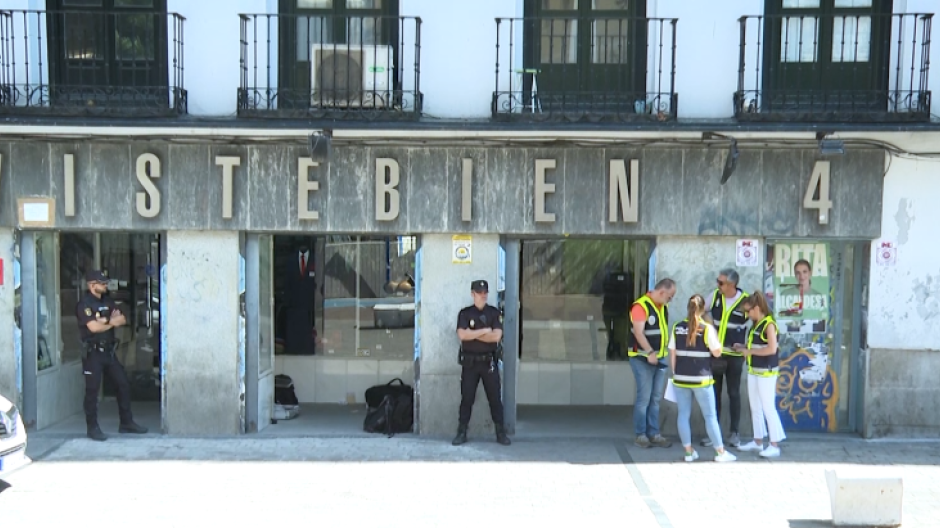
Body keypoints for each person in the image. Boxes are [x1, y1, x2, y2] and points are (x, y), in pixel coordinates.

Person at [76, 270, 148, 441]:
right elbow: (93, 328)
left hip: (109, 352)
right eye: (102, 283)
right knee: (92, 391)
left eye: (106, 283)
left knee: (122, 384)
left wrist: (104, 322)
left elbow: (121, 319)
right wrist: (110, 322)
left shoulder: (108, 301)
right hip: (93, 353)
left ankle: (126, 422)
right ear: (92, 285)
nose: (105, 285)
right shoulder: (84, 305)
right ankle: (92, 428)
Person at [669, 294, 737, 463]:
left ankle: (688, 452)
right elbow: (717, 352)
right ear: (702, 309)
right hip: (701, 380)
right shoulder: (706, 329)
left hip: (680, 378)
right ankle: (720, 452)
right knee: (710, 416)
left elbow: (672, 353)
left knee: (683, 415)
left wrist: (676, 373)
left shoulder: (677, 327)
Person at [452, 279, 510, 446]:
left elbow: (496, 336)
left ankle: (500, 432)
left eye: (485, 293)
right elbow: (462, 335)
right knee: (467, 398)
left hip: (488, 363)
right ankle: (461, 431)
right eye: (479, 293)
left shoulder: (493, 313)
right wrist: (484, 331)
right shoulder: (465, 313)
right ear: (472, 294)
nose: (482, 296)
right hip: (470, 363)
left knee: (494, 398)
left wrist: (473, 333)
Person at [733, 291, 785, 457]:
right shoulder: (756, 324)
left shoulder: (769, 324)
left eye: (749, 311)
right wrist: (743, 348)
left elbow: (771, 349)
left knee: (768, 407)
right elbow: (755, 346)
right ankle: (757, 441)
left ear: (757, 308)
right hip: (754, 370)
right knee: (755, 407)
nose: (747, 315)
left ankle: (774, 445)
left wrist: (749, 351)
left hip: (766, 372)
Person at [702, 268, 749, 448]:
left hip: (735, 356)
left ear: (732, 284)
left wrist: (748, 347)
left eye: (721, 283)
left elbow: (758, 321)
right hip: (716, 354)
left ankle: (734, 433)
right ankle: (713, 434)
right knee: (713, 394)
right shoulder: (715, 296)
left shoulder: (745, 300)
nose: (717, 285)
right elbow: (700, 311)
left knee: (734, 393)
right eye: (718, 281)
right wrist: (709, 322)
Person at [628, 278, 676, 448]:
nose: (670, 300)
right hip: (642, 358)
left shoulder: (662, 307)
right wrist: (649, 352)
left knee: (655, 398)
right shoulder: (641, 306)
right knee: (644, 398)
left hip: (659, 359)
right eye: (670, 296)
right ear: (662, 292)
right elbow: (639, 333)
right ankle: (641, 435)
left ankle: (654, 433)